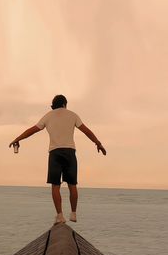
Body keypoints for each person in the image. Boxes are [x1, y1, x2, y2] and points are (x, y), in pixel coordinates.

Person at [9, 94, 106, 225]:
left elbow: (32, 130)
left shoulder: (48, 116)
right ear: (65, 104)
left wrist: (17, 139)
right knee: (72, 185)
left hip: (55, 153)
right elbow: (87, 131)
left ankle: (60, 216)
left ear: (53, 105)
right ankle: (73, 213)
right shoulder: (72, 115)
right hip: (70, 152)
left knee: (55, 185)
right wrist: (98, 143)